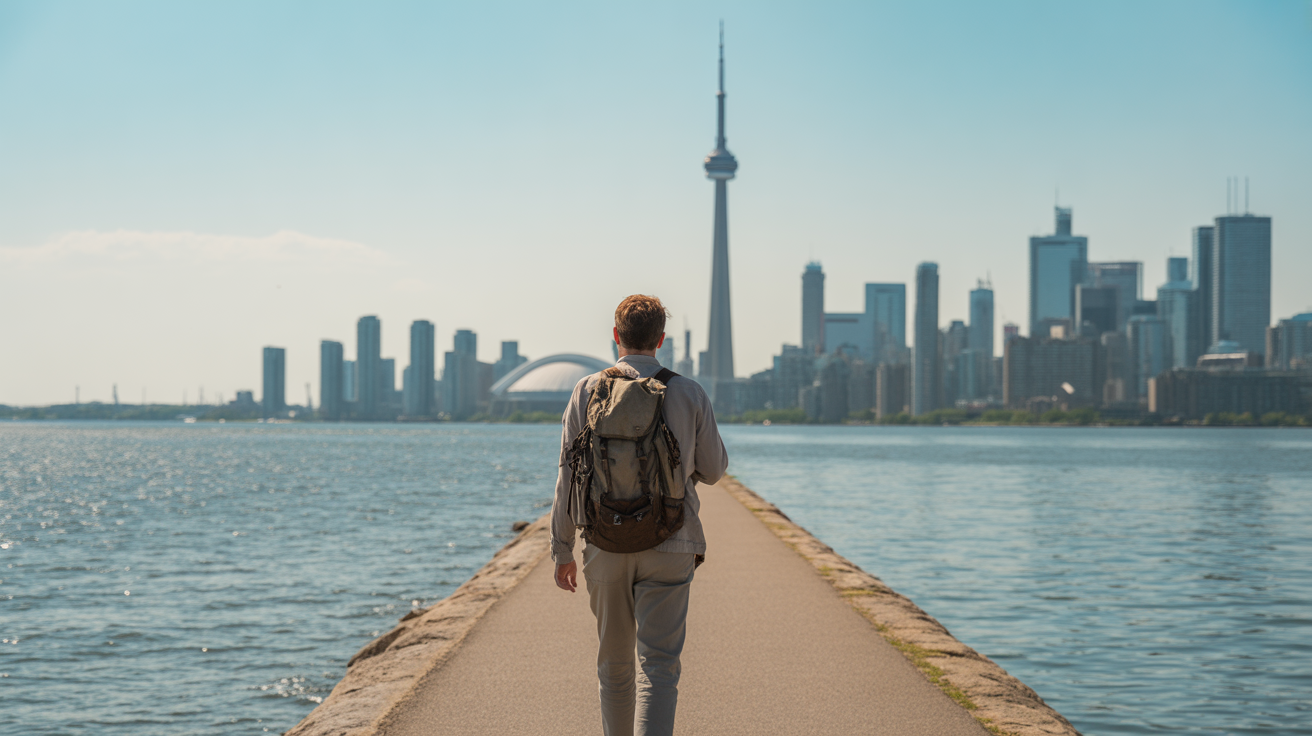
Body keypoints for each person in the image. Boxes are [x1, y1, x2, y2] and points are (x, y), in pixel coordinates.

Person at [551, 294, 728, 736]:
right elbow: (715, 469)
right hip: (672, 541)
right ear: (661, 340)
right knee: (660, 669)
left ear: (615, 336)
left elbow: (568, 477)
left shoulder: (587, 389)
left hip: (604, 543)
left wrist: (562, 549)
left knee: (613, 668)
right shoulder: (688, 391)